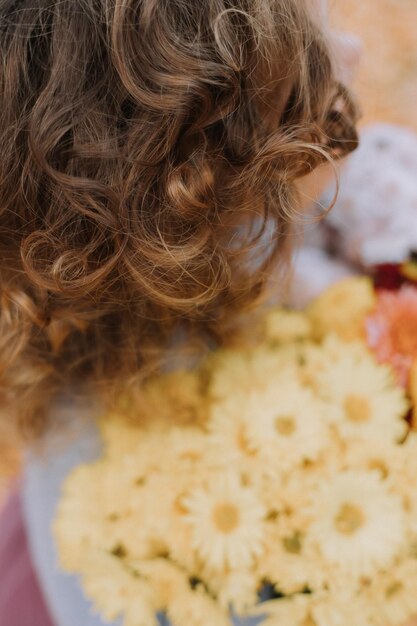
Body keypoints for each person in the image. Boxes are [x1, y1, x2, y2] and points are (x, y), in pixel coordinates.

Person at [0, 0, 370, 624]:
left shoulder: (109, 289)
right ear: (201, 183)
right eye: (303, 92)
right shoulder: (155, 520)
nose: (355, 49)